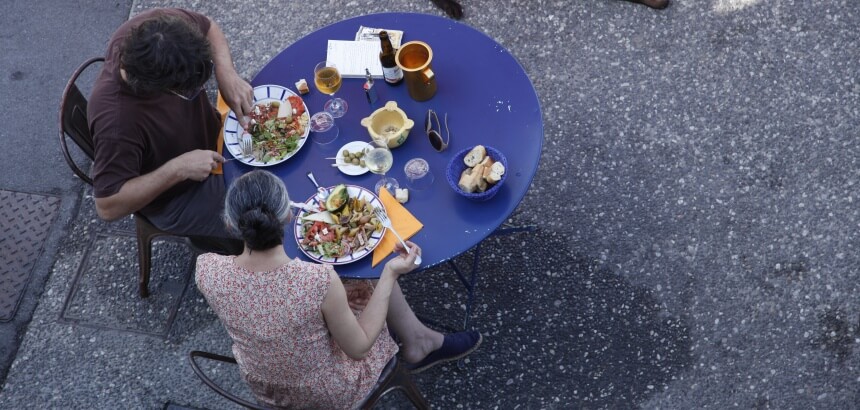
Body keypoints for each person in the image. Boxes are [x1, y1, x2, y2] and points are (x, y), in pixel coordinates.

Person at [195, 170, 483, 409]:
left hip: (266, 387)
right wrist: (390, 273)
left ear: (231, 223)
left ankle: (418, 338)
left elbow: (269, 302)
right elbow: (358, 349)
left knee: (346, 288)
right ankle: (418, 341)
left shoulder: (206, 269)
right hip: (327, 394)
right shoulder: (318, 280)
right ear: (287, 217)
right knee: (367, 277)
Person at [88, 8, 253, 254]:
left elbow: (208, 27)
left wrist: (225, 73)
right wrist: (177, 169)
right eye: (190, 91)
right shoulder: (117, 122)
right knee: (269, 211)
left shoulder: (156, 32)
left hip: (210, 140)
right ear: (156, 90)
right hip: (178, 196)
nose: (199, 91)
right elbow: (107, 206)